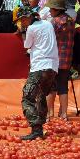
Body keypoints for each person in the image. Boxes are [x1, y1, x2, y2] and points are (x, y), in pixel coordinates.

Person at [19, 11, 58, 140]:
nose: (22, 22)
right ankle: (40, 125)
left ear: (28, 18)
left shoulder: (31, 28)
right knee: (40, 95)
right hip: (52, 66)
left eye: (22, 20)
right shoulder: (47, 24)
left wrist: (23, 31)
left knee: (27, 98)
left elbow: (27, 45)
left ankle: (37, 129)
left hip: (39, 66)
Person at [44, 0, 75, 121]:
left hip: (54, 58)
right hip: (67, 58)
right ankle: (64, 113)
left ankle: (48, 113)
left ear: (57, 9)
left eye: (51, 8)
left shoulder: (53, 22)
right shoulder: (71, 20)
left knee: (50, 86)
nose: (50, 11)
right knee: (63, 86)